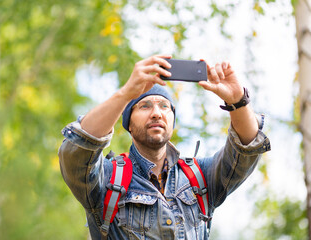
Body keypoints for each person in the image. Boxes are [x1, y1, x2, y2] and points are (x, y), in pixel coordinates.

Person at [58, 55, 271, 239]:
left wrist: (238, 101)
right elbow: (78, 151)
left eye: (164, 106)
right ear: (128, 124)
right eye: (144, 105)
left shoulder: (200, 177)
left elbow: (246, 149)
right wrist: (126, 94)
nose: (157, 113)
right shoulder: (107, 180)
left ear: (172, 121)